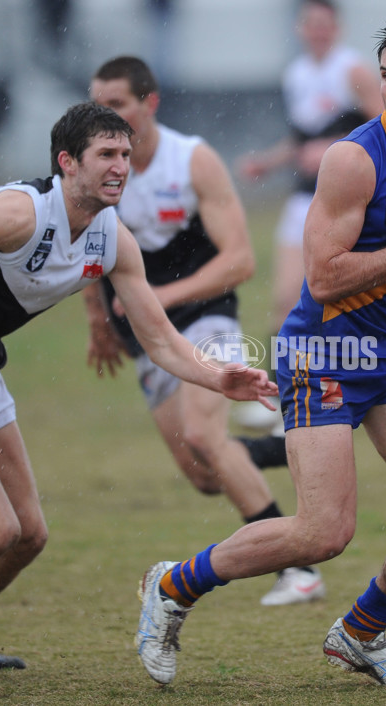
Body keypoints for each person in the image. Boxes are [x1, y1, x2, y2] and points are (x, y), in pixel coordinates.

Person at [134, 14, 386, 688]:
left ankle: (360, 632)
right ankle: (173, 585)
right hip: (323, 353)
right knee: (322, 532)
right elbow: (322, 275)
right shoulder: (353, 158)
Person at [0, 101, 277, 669]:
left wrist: (222, 379)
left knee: (28, 537)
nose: (121, 166)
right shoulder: (20, 214)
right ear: (67, 163)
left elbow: (163, 341)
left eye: (126, 154)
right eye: (106, 155)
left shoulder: (112, 239)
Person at [85, 56, 325, 607]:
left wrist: (158, 299)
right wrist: (98, 322)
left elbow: (240, 261)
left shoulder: (191, 160)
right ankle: (283, 444)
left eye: (116, 103)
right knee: (204, 470)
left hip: (206, 317)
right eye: (98, 102)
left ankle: (299, 570)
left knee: (203, 435)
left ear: (149, 103)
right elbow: (86, 249)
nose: (105, 114)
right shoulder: (96, 168)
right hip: (146, 338)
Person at [236, 0, 383, 429]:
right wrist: (269, 161)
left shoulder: (353, 71)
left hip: (342, 203)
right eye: (311, 24)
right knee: (283, 302)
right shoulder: (297, 74)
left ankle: (332, 396)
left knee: (328, 307)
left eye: (325, 24)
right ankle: (283, 400)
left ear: (337, 27)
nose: (318, 31)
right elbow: (302, 141)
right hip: (303, 200)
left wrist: (335, 146)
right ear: (301, 28)